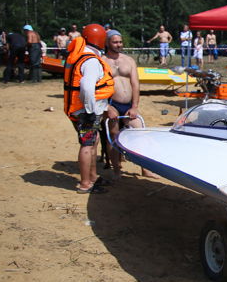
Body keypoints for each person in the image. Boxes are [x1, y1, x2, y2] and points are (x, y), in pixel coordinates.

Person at [63, 24, 115, 194]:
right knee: (87, 144)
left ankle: (92, 176)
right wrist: (90, 111)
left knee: (94, 141)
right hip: (86, 111)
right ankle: (85, 184)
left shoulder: (78, 55)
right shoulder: (91, 61)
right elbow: (86, 86)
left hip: (78, 109)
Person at [103, 30, 160, 182]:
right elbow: (98, 86)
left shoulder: (129, 60)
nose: (118, 45)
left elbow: (135, 84)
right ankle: (117, 170)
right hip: (111, 104)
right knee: (113, 136)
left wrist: (134, 106)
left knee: (140, 132)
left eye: (120, 42)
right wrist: (107, 107)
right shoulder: (101, 61)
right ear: (107, 43)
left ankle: (145, 169)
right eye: (115, 42)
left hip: (129, 104)